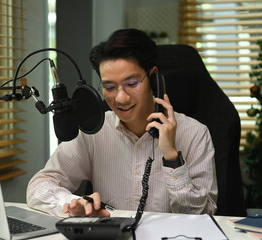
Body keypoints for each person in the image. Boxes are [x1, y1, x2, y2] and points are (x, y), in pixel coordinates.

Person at [26, 28, 217, 218]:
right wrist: (72, 204)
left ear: (153, 78)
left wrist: (172, 158)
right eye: (109, 87)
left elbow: (204, 215)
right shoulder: (93, 131)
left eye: (132, 84)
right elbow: (40, 185)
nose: (121, 98)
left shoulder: (195, 133)